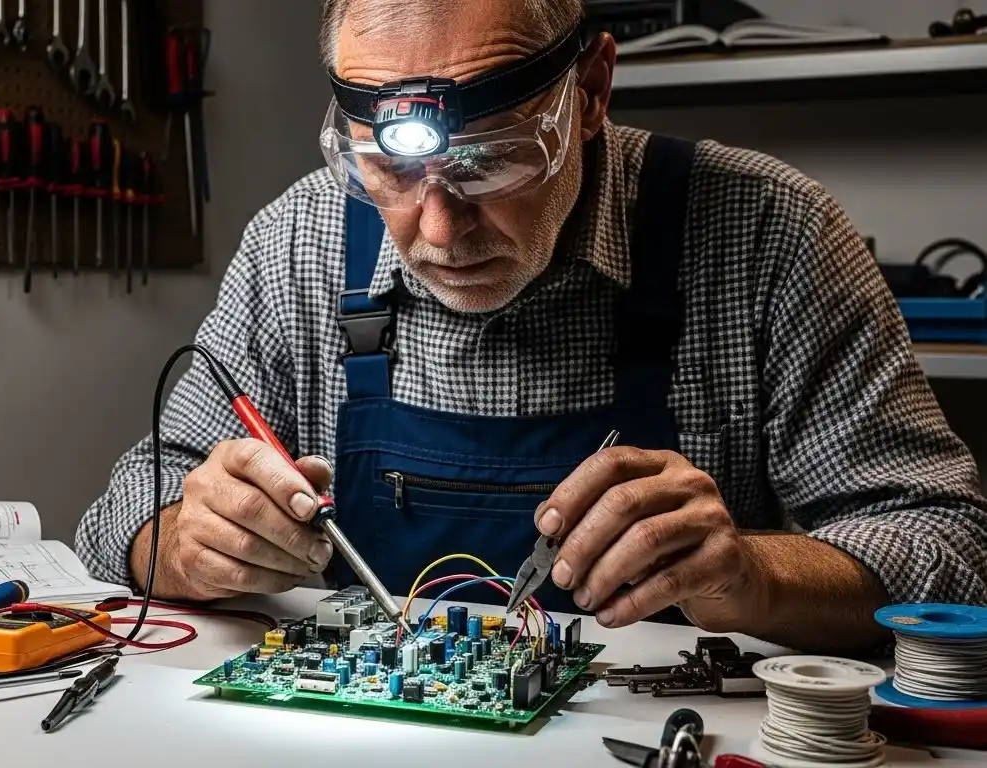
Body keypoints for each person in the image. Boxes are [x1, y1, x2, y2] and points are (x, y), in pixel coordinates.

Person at [77, 0, 987, 653]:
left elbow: (953, 552)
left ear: (590, 90)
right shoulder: (299, 241)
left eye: (495, 160)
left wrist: (751, 573)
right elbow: (116, 515)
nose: (437, 231)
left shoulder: (768, 233)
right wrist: (183, 542)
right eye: (389, 173)